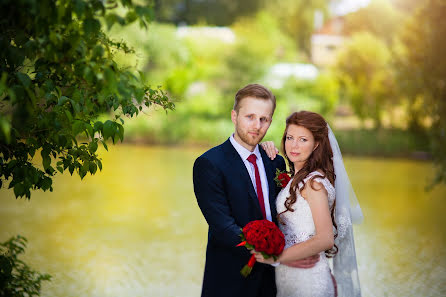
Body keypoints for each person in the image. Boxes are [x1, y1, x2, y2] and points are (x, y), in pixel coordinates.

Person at [193, 85, 320, 297]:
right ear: (234, 116)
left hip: (275, 282)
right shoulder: (209, 164)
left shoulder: (275, 161)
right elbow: (224, 227)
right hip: (231, 282)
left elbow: (289, 212)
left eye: (264, 119)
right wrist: (278, 255)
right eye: (250, 116)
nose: (257, 126)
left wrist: (296, 251)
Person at [255, 111, 363, 297]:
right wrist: (264, 148)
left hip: (308, 280)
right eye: (290, 137)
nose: (293, 145)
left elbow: (325, 239)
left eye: (303, 139)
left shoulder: (313, 184)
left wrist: (277, 258)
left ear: (316, 144)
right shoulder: (296, 179)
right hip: (289, 277)